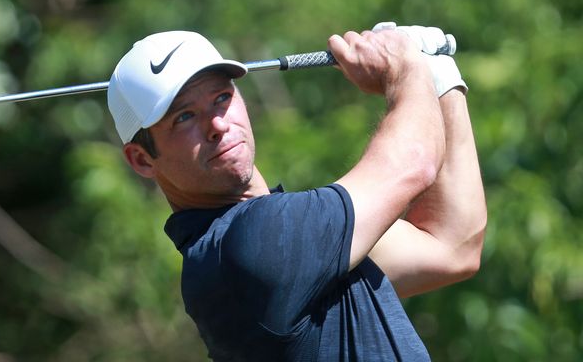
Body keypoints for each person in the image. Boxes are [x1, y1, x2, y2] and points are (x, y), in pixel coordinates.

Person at [106, 25, 487, 361]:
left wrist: (439, 77)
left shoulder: (289, 246)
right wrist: (406, 66)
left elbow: (452, 246)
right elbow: (413, 162)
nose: (218, 124)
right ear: (141, 159)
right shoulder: (248, 248)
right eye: (184, 117)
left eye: (222, 97)